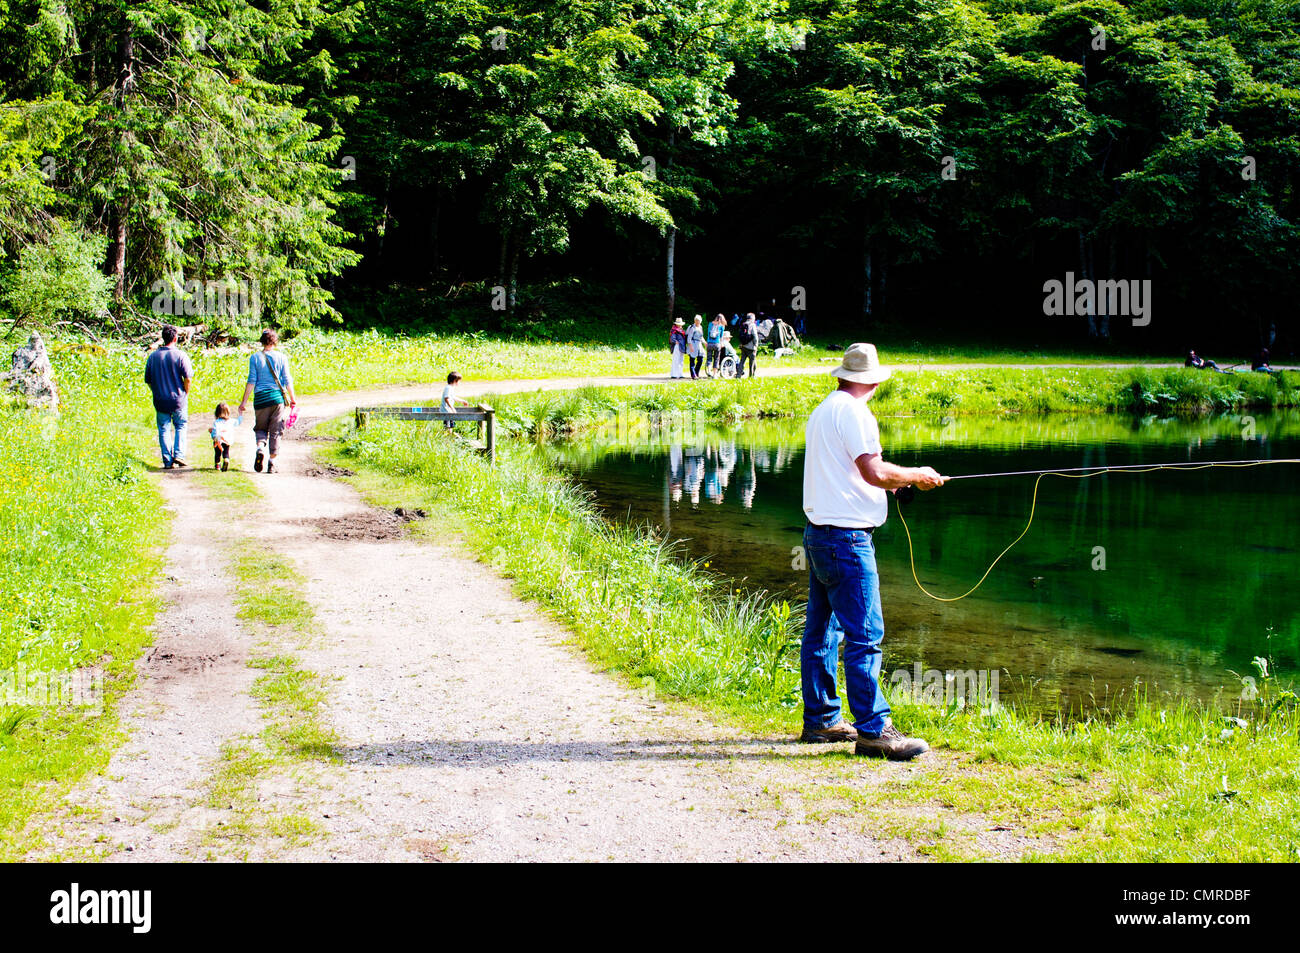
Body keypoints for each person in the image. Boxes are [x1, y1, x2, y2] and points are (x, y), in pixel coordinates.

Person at [800, 343, 947, 760]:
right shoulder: (858, 414)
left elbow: (850, 473)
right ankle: (874, 730)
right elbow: (874, 471)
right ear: (876, 381)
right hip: (847, 540)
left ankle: (823, 721)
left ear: (844, 374)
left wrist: (895, 483)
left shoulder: (824, 409)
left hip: (819, 534)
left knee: (822, 633)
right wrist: (916, 475)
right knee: (865, 636)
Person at [237, 329, 297, 474]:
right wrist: (293, 398)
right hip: (277, 399)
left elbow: (251, 381)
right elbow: (287, 379)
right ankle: (272, 463)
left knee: (261, 428)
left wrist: (243, 402)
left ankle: (260, 448)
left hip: (260, 399)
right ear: (275, 341)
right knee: (276, 431)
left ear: (262, 341)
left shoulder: (255, 358)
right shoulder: (282, 357)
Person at [144, 324, 193, 469]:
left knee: (164, 428)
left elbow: (148, 380)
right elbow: (188, 377)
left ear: (163, 338)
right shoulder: (180, 355)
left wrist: (156, 391)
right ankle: (179, 454)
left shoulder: (153, 357)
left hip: (160, 399)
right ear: (176, 338)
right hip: (178, 398)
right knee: (180, 426)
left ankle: (167, 460)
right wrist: (185, 392)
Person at [209, 402, 239, 471]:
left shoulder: (217, 422)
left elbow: (215, 431)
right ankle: (226, 459)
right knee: (226, 452)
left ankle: (217, 465)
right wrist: (240, 414)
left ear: (217, 413)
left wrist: (212, 435)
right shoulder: (230, 421)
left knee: (217, 453)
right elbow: (237, 422)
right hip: (226, 440)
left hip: (218, 440)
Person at [736, 313, 758, 378]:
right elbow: (755, 336)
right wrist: (756, 345)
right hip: (751, 347)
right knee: (752, 362)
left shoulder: (743, 324)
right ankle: (751, 376)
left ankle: (738, 375)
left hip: (743, 346)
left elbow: (740, 335)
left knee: (742, 361)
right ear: (752, 318)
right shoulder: (752, 325)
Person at [687, 315, 706, 380]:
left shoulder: (700, 327)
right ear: (695, 321)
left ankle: (696, 372)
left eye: (699, 321)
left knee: (700, 359)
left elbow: (701, 337)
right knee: (692, 360)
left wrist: (705, 343)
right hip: (693, 344)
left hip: (699, 345)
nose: (698, 322)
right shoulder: (692, 328)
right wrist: (691, 346)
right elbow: (689, 338)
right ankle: (693, 375)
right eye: (696, 320)